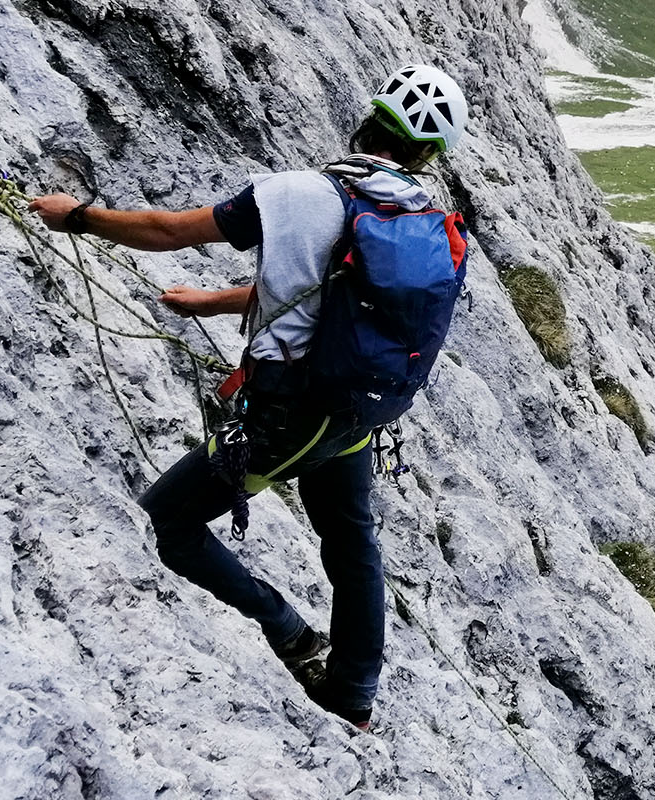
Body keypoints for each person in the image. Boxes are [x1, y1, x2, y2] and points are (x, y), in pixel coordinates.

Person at [27, 65, 472, 730]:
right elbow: (337, 302)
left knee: (166, 523)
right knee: (352, 544)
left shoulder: (296, 193)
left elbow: (169, 231)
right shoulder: (422, 220)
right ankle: (353, 696)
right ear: (429, 154)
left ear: (367, 116)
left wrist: (78, 218)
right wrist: (212, 301)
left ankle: (287, 630)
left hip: (288, 414)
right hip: (354, 415)